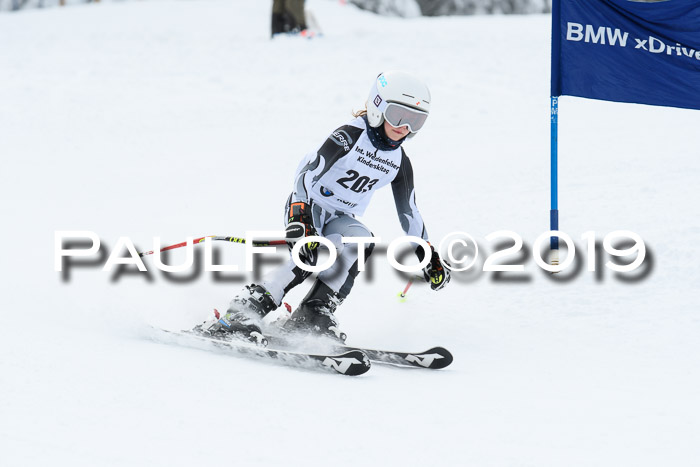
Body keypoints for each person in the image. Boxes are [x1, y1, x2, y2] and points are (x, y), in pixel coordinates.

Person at [204, 71, 450, 342]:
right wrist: (301, 214)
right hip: (309, 204)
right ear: (378, 106)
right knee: (308, 255)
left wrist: (427, 253)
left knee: (361, 241)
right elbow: (307, 174)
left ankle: (312, 314)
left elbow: (409, 212)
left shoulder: (399, 162)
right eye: (399, 116)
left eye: (416, 121)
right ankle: (242, 312)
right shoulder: (349, 136)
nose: (405, 128)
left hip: (341, 215)